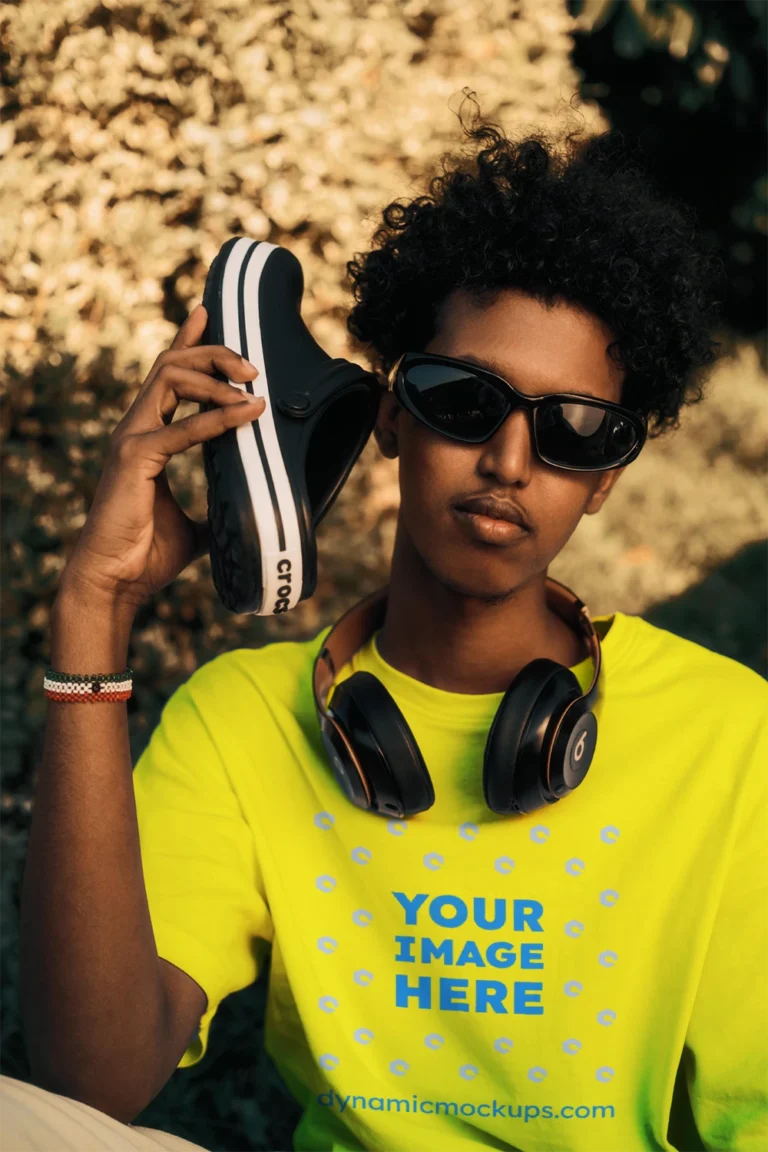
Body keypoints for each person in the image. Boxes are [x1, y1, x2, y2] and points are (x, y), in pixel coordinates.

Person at [7, 102, 768, 1152]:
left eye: (575, 430)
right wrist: (92, 613)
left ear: (606, 480)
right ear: (392, 413)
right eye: (464, 399)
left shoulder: (733, 735)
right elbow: (87, 1084)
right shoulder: (242, 721)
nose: (508, 461)